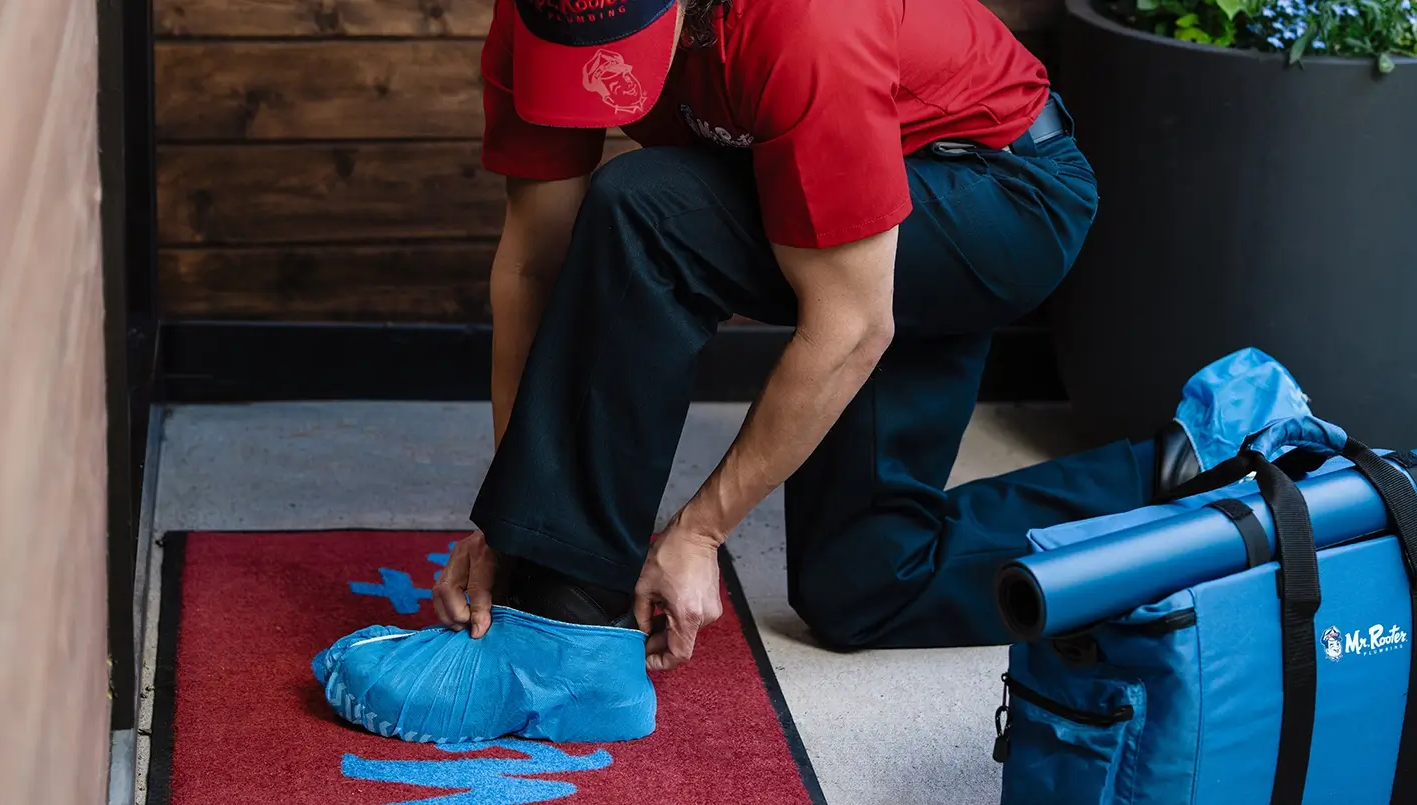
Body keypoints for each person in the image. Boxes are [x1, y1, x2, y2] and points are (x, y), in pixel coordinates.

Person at [430, 0, 1209, 671]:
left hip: (1000, 193)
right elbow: (535, 263)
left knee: (646, 207)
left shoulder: (804, 20)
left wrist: (700, 533)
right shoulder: (546, 17)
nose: (600, 68)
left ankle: (568, 627)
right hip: (850, 191)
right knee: (862, 587)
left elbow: (853, 322)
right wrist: (514, 518)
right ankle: (1199, 478)